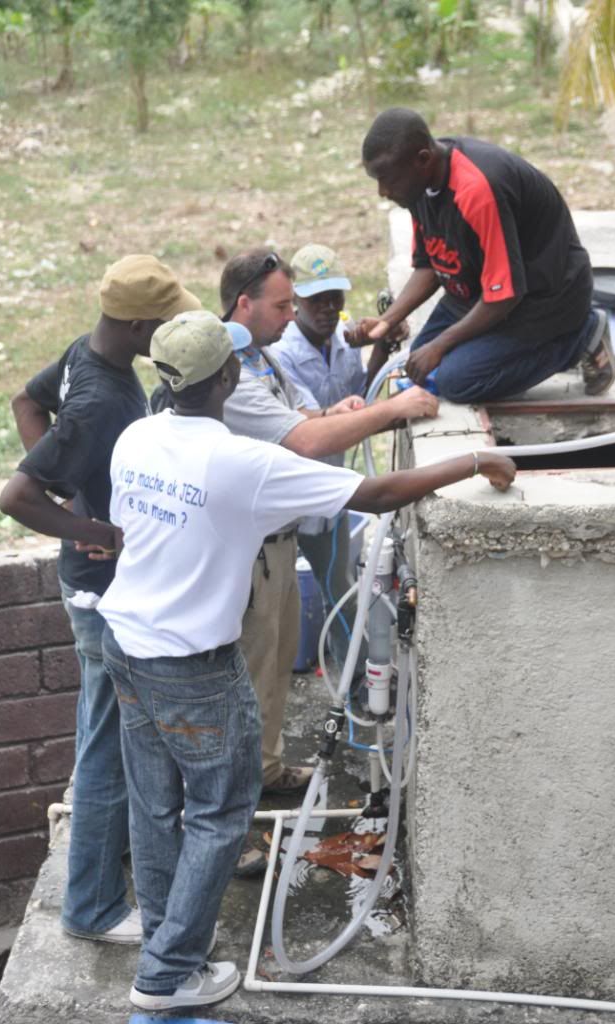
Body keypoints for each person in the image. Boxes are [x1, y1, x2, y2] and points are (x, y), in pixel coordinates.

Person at [94, 309, 515, 1012]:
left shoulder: (136, 436)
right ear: (228, 376)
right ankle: (167, 977)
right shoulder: (242, 462)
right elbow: (373, 495)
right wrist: (473, 458)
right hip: (193, 665)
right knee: (219, 813)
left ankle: (167, 948)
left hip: (126, 649)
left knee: (156, 806)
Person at [0, 254, 200, 944]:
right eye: (166, 323)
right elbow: (14, 495)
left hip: (94, 589)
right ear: (140, 324)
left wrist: (72, 489)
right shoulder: (100, 400)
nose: (171, 332)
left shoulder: (86, 356)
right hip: (101, 597)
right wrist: (86, 524)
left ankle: (101, 876)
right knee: (106, 749)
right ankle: (91, 907)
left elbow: (27, 403)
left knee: (106, 735)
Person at [219, 247, 439, 874]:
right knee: (244, 687)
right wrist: (389, 411)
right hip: (253, 555)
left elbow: (304, 416)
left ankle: (266, 771)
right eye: (283, 304)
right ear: (245, 304)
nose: (292, 315)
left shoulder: (261, 357)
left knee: (272, 677)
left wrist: (342, 410)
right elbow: (305, 440)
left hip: (280, 548)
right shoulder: (230, 370)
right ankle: (232, 832)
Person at [349, 107, 615, 404]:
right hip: (479, 290)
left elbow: (504, 295)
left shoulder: (477, 190)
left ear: (423, 159)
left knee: (456, 381)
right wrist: (386, 321)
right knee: (419, 367)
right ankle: (505, 356)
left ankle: (582, 336)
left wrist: (442, 344)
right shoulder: (418, 182)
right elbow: (430, 264)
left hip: (544, 298)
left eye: (388, 180)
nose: (382, 191)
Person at [270, 242, 397, 669]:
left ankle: (353, 683)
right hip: (288, 499)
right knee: (278, 598)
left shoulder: (341, 342)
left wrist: (383, 344)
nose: (328, 308)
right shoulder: (282, 352)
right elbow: (313, 426)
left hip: (331, 496)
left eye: (335, 298)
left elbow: (358, 396)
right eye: (316, 300)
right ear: (296, 303)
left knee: (340, 590)